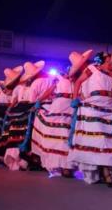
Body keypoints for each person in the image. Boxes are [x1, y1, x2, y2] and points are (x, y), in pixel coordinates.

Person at [31, 50, 92, 178]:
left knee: (67, 136)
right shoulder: (59, 78)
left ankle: (67, 166)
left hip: (71, 108)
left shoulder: (81, 80)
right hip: (59, 107)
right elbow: (49, 91)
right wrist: (39, 101)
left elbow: (82, 93)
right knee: (58, 135)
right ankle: (59, 165)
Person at [68, 51, 112, 187]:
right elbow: (79, 82)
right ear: (105, 61)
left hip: (109, 108)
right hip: (94, 107)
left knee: (109, 141)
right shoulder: (92, 69)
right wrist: (75, 98)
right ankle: (105, 171)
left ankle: (105, 169)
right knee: (100, 140)